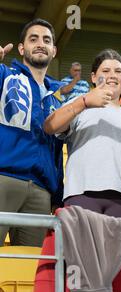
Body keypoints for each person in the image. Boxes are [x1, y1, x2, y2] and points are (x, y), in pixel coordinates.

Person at [42, 49, 121, 292]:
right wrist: (84, 101)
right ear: (94, 76)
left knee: (115, 273)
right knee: (79, 271)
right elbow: (50, 125)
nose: (112, 75)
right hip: (81, 195)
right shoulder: (79, 107)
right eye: (105, 71)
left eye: (118, 71)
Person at [0, 19, 64, 247]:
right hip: (4, 178)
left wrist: (58, 196)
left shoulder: (58, 95)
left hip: (41, 189)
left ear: (54, 51)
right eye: (33, 39)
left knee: (29, 270)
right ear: (21, 48)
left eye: (46, 40)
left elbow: (59, 148)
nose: (40, 44)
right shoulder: (5, 77)